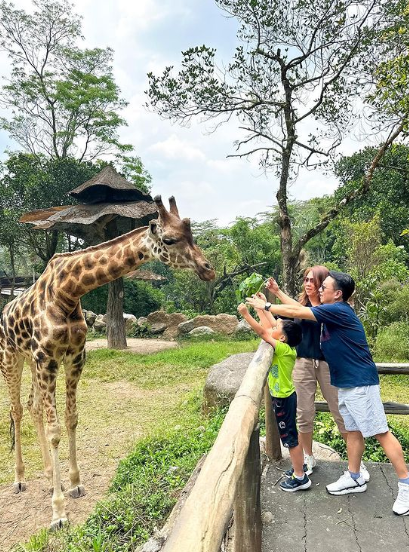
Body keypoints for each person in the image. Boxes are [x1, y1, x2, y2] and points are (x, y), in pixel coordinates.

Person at [246, 271, 409, 515]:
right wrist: (275, 296)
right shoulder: (330, 312)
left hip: (359, 382)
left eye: (325, 287)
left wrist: (267, 304)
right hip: (345, 382)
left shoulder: (339, 310)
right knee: (353, 431)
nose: (320, 290)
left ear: (338, 293)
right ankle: (354, 476)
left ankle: (405, 484)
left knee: (380, 432)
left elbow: (299, 312)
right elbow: (301, 307)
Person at [266, 267, 369, 482]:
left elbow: (296, 310)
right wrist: (276, 293)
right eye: (306, 279)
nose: (309, 283)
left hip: (327, 364)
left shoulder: (330, 308)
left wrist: (271, 298)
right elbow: (293, 309)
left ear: (324, 283)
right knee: (304, 413)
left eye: (314, 280)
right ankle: (308, 458)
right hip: (302, 363)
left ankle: (356, 465)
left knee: (340, 412)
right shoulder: (302, 306)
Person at [237, 302, 309, 492]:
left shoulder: (283, 349)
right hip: (286, 397)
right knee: (292, 435)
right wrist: (260, 308)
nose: (274, 326)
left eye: (278, 328)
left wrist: (246, 314)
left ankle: (300, 477)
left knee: (290, 439)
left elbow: (264, 332)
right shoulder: (287, 346)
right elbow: (271, 326)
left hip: (283, 399)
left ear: (283, 338)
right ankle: (299, 468)